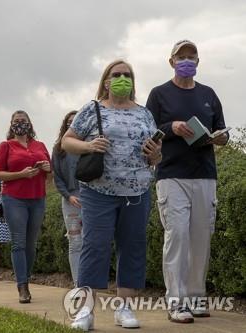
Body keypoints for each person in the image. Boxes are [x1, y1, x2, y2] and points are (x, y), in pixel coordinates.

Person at [62, 60, 162, 330]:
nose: (122, 79)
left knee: (132, 247)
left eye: (127, 75)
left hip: (137, 190)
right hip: (99, 191)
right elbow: (66, 141)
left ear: (133, 81)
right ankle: (85, 311)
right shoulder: (92, 108)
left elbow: (156, 154)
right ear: (106, 81)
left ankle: (124, 308)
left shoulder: (144, 113)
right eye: (116, 75)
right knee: (95, 246)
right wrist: (88, 144)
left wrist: (155, 154)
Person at [146, 40, 228, 323]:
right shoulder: (159, 94)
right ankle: (176, 302)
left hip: (205, 174)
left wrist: (220, 137)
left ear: (198, 61)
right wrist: (172, 128)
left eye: (192, 57)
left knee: (200, 239)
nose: (187, 61)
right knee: (177, 235)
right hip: (171, 175)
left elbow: (222, 130)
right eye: (182, 56)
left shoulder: (209, 94)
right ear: (171, 61)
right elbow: (149, 130)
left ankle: (196, 296)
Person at [0, 110, 51, 303]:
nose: (20, 123)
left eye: (23, 120)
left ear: (30, 123)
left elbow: (50, 172)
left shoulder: (40, 145)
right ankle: (22, 286)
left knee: (30, 244)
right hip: (14, 198)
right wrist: (20, 174)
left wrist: (46, 168)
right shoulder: (6, 146)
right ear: (11, 125)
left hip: (37, 198)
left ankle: (25, 278)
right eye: (16, 121)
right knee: (18, 242)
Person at [52, 110, 83, 287]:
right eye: (69, 122)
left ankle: (90, 282)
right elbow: (57, 178)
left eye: (75, 121)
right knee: (75, 242)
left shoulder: (88, 145)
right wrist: (68, 195)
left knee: (90, 241)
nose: (72, 124)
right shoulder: (58, 149)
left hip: (90, 198)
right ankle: (78, 284)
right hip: (70, 200)